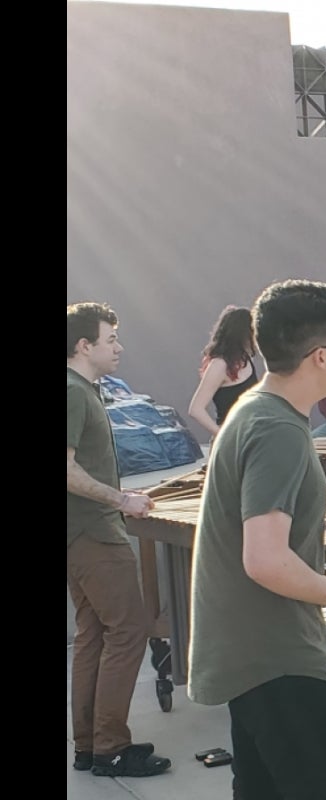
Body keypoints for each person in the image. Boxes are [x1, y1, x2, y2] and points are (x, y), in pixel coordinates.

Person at [187, 280, 326, 800]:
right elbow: (264, 559)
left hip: (252, 651)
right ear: (321, 357)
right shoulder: (277, 429)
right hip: (276, 656)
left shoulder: (252, 408)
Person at [67, 302, 172, 778]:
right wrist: (119, 500)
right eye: (111, 340)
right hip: (93, 533)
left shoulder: (83, 390)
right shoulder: (73, 392)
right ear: (84, 346)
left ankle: (89, 747)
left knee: (93, 635)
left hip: (81, 532)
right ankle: (111, 745)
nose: (118, 348)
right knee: (129, 629)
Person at [188, 305, 259, 438]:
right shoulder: (219, 365)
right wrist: (222, 436)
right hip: (231, 440)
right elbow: (196, 409)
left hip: (251, 436)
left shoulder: (247, 359)